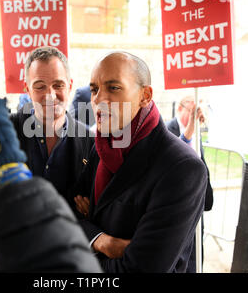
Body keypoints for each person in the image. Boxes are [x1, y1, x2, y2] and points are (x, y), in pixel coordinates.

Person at [0, 46, 94, 272]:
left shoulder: (90, 142)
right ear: (27, 89)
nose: (50, 95)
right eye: (39, 86)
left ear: (70, 85)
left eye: (58, 85)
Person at [73, 51, 208, 272]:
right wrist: (101, 240)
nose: (98, 99)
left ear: (145, 95)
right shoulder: (102, 146)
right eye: (94, 90)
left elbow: (142, 268)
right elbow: (70, 214)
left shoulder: (182, 167)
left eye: (113, 88)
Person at [166, 95, 214, 273]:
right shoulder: (166, 130)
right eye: (192, 109)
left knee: (195, 262)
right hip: (177, 213)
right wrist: (189, 132)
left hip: (197, 211)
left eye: (199, 108)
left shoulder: (197, 133)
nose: (196, 113)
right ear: (180, 108)